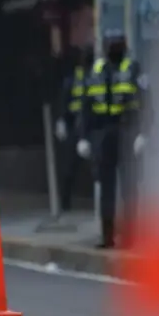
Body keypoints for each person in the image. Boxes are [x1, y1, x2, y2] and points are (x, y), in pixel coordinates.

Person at [76, 30, 147, 248]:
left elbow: (146, 103)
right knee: (106, 188)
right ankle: (107, 236)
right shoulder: (96, 71)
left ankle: (131, 236)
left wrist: (144, 133)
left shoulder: (134, 69)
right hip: (102, 133)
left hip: (127, 131)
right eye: (111, 44)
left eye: (118, 44)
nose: (114, 48)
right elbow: (86, 106)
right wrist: (83, 137)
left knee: (129, 187)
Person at [53, 48, 89, 212]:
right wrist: (61, 121)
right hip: (75, 126)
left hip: (87, 126)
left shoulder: (91, 77)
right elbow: (64, 102)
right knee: (69, 168)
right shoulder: (73, 80)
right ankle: (65, 202)